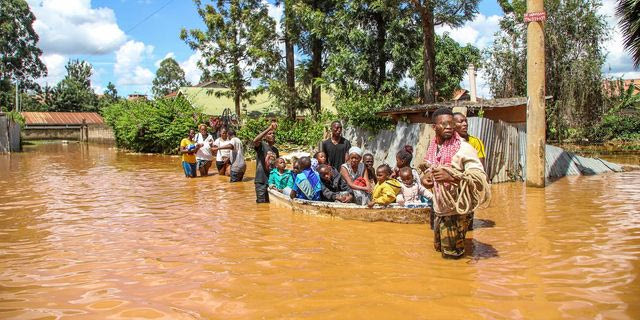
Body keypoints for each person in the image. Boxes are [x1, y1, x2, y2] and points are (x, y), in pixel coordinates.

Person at [421, 108, 489, 259]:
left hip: (455, 212)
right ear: (434, 127)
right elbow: (428, 166)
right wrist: (425, 178)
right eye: (443, 124)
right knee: (439, 252)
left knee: (453, 258)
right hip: (439, 209)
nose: (448, 127)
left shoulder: (464, 148)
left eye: (451, 123)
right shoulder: (433, 147)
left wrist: (451, 177)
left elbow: (480, 178)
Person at [453, 112, 487, 230]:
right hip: (452, 186)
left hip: (467, 185)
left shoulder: (475, 142)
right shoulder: (448, 143)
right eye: (460, 121)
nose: (465, 124)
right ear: (453, 124)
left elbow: (480, 165)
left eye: (465, 121)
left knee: (467, 223)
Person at [253, 122, 279, 203]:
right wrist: (269, 128)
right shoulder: (262, 145)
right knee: (261, 204)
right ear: (265, 137)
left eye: (273, 133)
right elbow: (255, 140)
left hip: (271, 181)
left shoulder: (275, 150)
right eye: (270, 134)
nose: (272, 135)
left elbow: (276, 166)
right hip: (261, 180)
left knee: (269, 204)